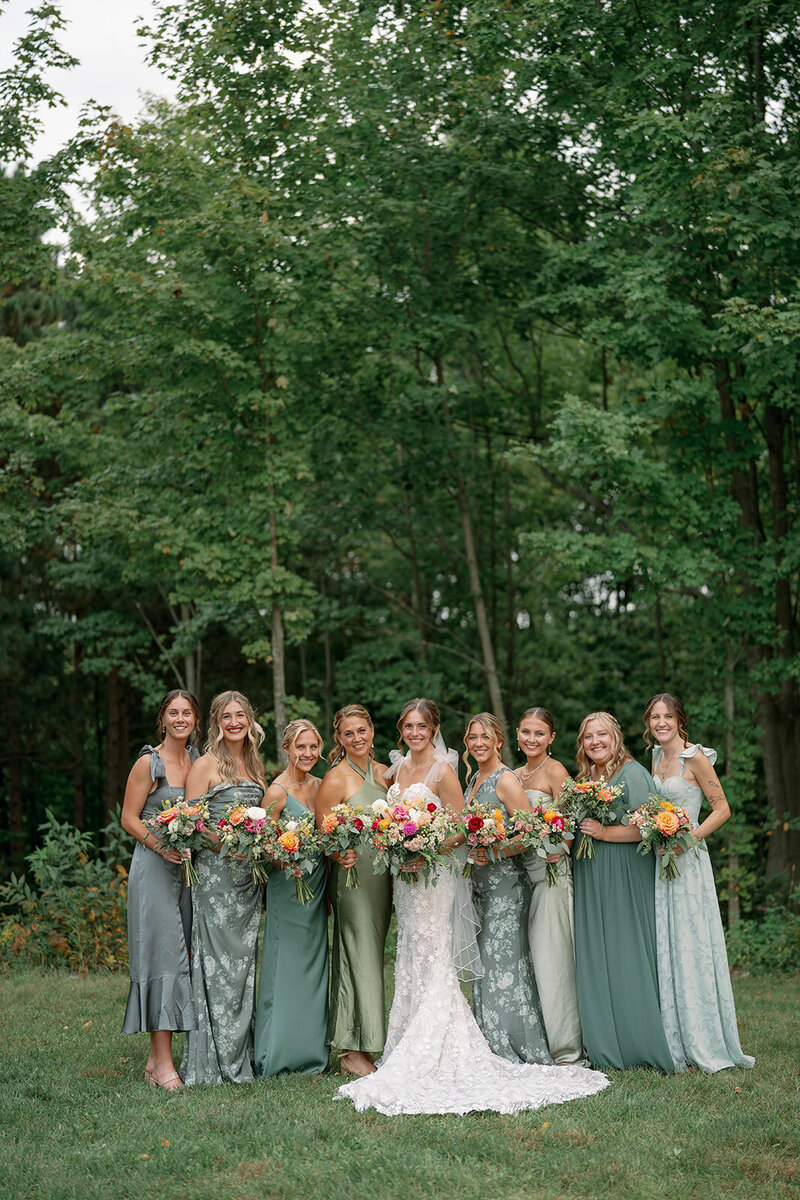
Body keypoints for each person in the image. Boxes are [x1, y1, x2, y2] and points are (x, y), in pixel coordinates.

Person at [337, 698, 609, 1115]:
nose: (414, 732)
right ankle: (408, 1037)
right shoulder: (394, 770)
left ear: (434, 730)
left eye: (421, 726)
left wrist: (423, 847)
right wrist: (396, 844)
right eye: (408, 726)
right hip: (406, 882)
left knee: (435, 955)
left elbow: (461, 828)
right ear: (400, 729)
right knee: (411, 955)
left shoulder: (445, 772)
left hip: (433, 877)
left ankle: (445, 1042)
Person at [645, 693, 754, 1073]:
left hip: (688, 862)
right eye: (654, 717)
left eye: (667, 716)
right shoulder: (656, 757)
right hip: (661, 863)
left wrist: (688, 839)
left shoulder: (696, 758)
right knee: (669, 945)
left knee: (691, 944)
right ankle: (673, 1038)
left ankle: (703, 1040)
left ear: (679, 720)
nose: (661, 723)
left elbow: (722, 808)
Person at [572, 711, 675, 1072]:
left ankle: (638, 1043)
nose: (595, 741)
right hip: (589, 871)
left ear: (615, 736)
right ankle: (603, 1045)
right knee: (596, 951)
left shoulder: (632, 773)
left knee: (625, 949)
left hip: (625, 871)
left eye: (601, 734)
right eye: (588, 737)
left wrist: (603, 833)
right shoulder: (585, 777)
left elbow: (648, 827)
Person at [180, 690, 266, 1086]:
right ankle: (214, 1059)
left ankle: (240, 1054)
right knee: (218, 967)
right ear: (216, 722)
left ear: (250, 720)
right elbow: (191, 823)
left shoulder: (253, 763)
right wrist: (227, 842)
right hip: (215, 879)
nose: (235, 722)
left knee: (243, 968)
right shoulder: (206, 765)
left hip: (248, 882)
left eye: (241, 716)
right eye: (227, 717)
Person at [120, 689, 201, 1090]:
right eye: (174, 712)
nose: (180, 718)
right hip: (154, 868)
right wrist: (161, 846)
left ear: (196, 719)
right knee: (162, 958)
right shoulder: (148, 763)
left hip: (187, 873)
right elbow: (129, 818)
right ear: (162, 719)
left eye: (187, 712)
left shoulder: (200, 760)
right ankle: (166, 1064)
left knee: (181, 955)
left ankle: (155, 1061)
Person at [464, 712, 552, 1064]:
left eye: (485, 736)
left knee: (503, 965)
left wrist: (495, 849)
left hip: (506, 889)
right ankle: (488, 1040)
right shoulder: (473, 778)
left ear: (500, 739)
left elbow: (530, 833)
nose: (479, 743)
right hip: (479, 888)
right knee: (485, 966)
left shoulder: (505, 780)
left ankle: (514, 1045)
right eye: (472, 737)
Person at [315, 704, 392, 1078]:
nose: (357, 738)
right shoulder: (336, 778)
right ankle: (349, 1049)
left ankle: (368, 1041)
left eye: (362, 730)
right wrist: (336, 851)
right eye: (349, 733)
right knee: (354, 955)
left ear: (372, 731)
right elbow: (322, 836)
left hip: (383, 879)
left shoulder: (385, 774)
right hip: (352, 879)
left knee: (372, 956)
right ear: (340, 739)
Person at [254, 719, 329, 1077]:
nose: (308, 754)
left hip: (317, 886)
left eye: (314, 747)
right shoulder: (276, 792)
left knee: (313, 967)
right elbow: (265, 846)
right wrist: (286, 857)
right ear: (286, 749)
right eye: (301, 747)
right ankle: (274, 1054)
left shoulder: (321, 785)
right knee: (285, 965)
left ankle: (312, 1053)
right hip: (288, 886)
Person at [515, 707, 585, 1065]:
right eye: (526, 731)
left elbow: (571, 822)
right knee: (528, 964)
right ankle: (537, 1040)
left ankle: (567, 1049)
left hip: (550, 877)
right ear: (516, 733)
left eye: (539, 733)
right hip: (518, 881)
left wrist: (561, 846)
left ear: (552, 738)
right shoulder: (513, 774)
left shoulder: (556, 771)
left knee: (553, 962)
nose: (531, 739)